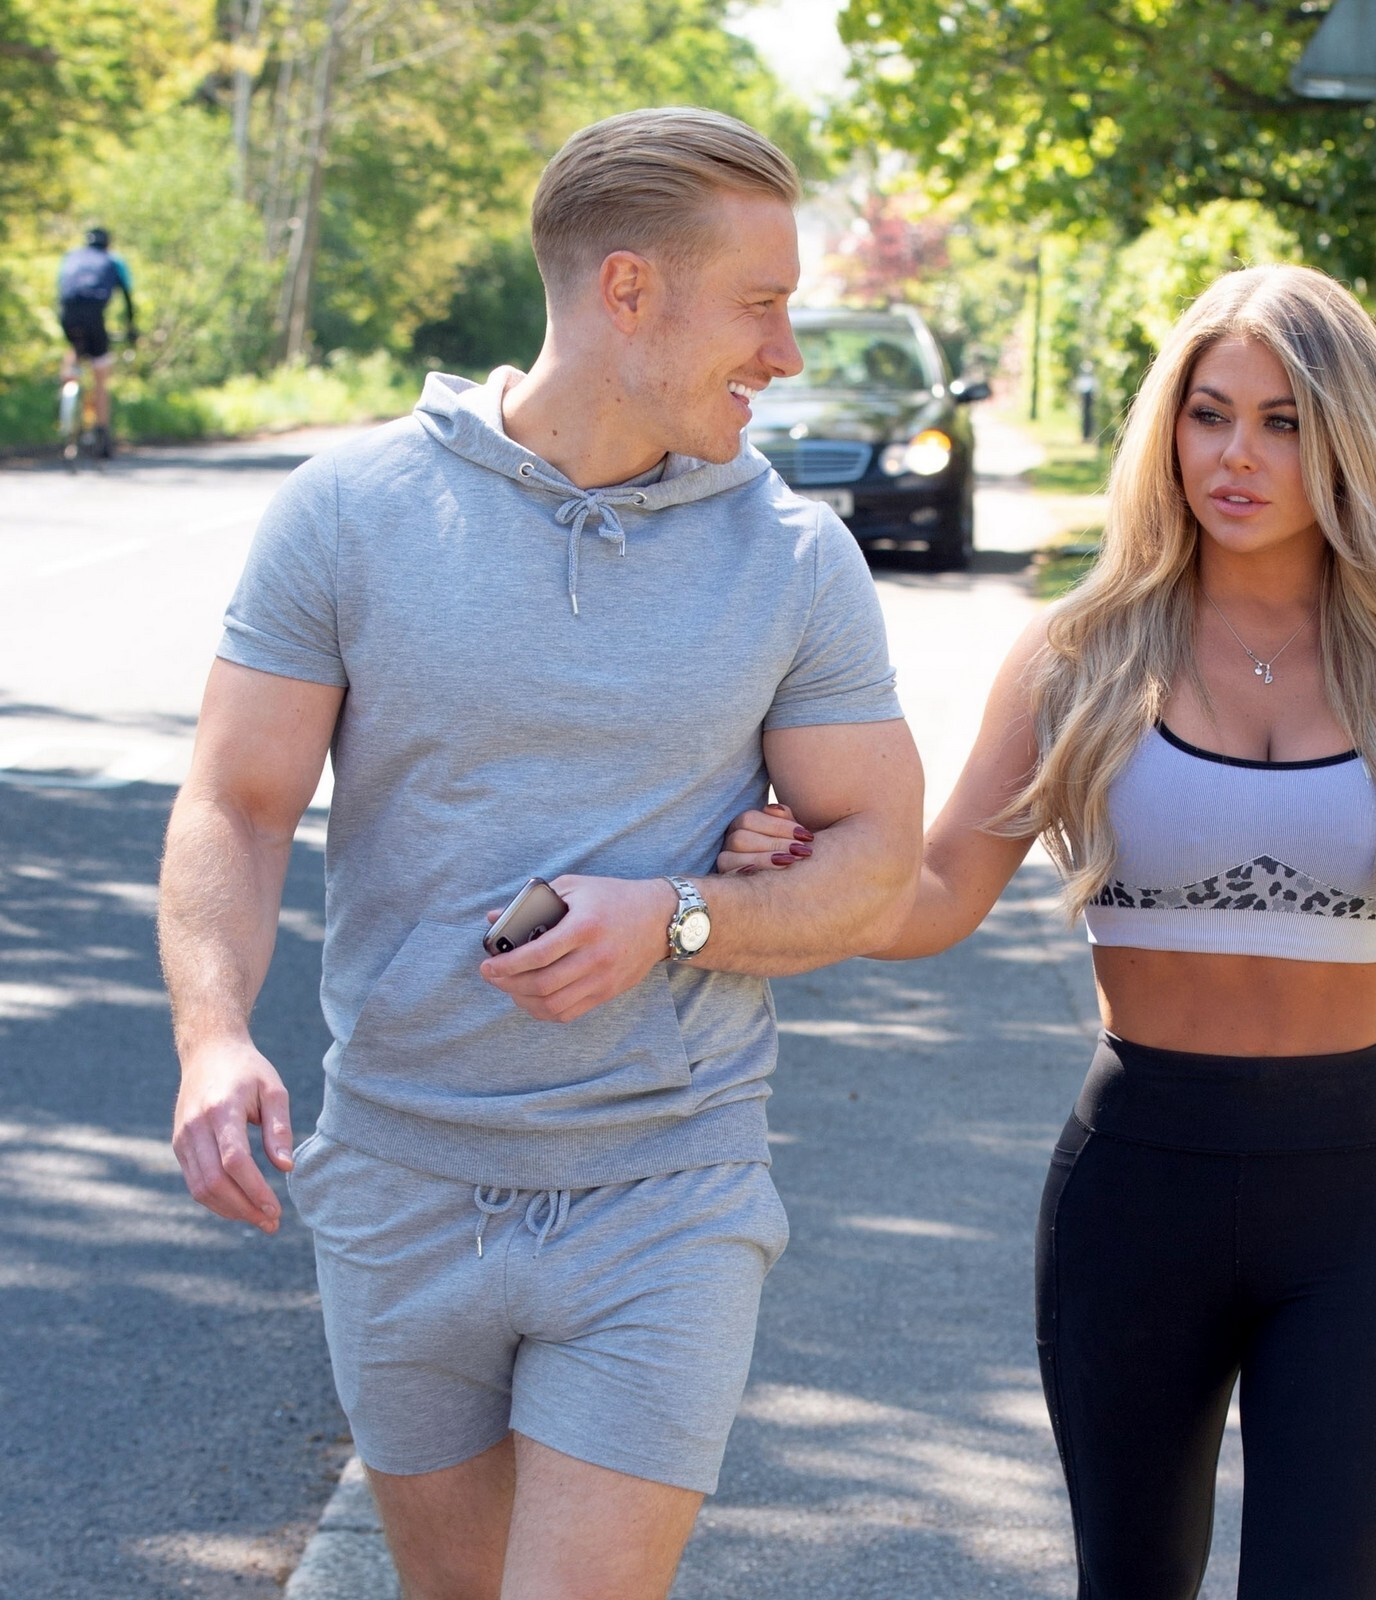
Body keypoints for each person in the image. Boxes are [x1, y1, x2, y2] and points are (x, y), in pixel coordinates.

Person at [716, 264, 1376, 1599]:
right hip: (1135, 1187)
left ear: (1347, 440)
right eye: (1208, 414)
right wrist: (799, 873)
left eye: (1282, 423)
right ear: (1167, 429)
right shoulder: (1079, 655)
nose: (1236, 455)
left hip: (1357, 1202)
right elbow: (937, 890)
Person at [158, 107, 923, 1600]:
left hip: (665, 1184)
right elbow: (237, 804)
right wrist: (211, 1035)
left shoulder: (791, 557)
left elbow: (880, 856)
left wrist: (681, 916)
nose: (784, 352)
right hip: (401, 1178)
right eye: (760, 306)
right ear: (629, 290)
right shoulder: (350, 512)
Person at [56, 226, 137, 458]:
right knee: (101, 370)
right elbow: (128, 298)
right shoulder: (113, 260)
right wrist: (131, 328)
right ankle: (102, 433)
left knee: (74, 347)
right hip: (94, 315)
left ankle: (66, 387)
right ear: (107, 243)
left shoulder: (71, 256)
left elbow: (61, 288)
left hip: (67, 313)